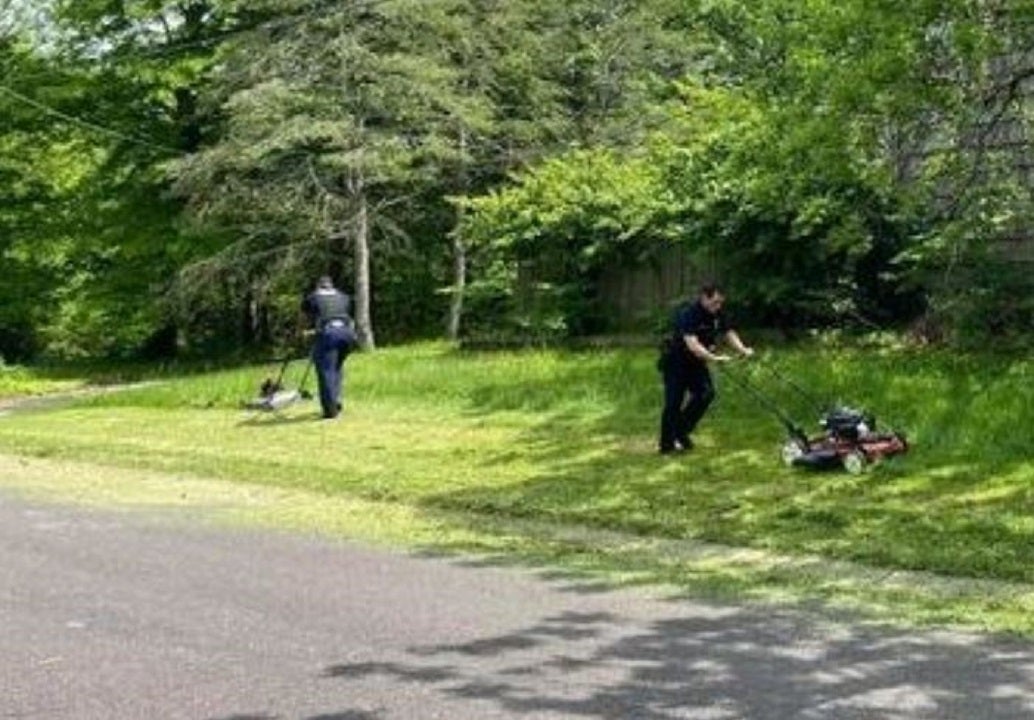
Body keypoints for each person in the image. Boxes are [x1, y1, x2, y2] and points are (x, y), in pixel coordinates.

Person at [658, 281, 753, 454]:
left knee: (706, 394)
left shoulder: (717, 314)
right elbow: (693, 344)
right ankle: (666, 446)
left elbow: (728, 332)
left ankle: (680, 431)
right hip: (676, 363)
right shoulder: (689, 314)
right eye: (715, 302)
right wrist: (714, 359)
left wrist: (743, 349)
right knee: (673, 403)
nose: (718, 306)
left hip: (696, 363)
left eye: (720, 302)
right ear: (704, 298)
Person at [301, 275, 358, 419]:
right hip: (347, 334)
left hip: (328, 334)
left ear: (318, 286)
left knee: (326, 370)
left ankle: (330, 411)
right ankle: (336, 401)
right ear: (331, 286)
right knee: (337, 368)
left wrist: (304, 333)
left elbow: (304, 318)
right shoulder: (343, 297)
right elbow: (346, 317)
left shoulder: (313, 298)